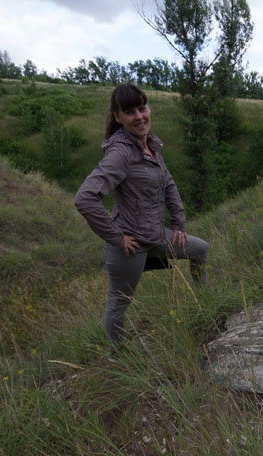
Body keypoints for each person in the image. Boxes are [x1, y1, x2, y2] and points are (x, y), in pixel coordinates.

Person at [74, 83, 209, 343]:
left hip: (156, 236)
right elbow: (85, 198)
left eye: (142, 108)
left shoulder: (150, 146)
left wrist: (179, 224)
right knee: (119, 302)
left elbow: (169, 184)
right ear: (117, 117)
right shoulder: (121, 152)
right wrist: (117, 237)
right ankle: (118, 354)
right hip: (130, 246)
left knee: (200, 250)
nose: (139, 116)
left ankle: (204, 304)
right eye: (130, 112)